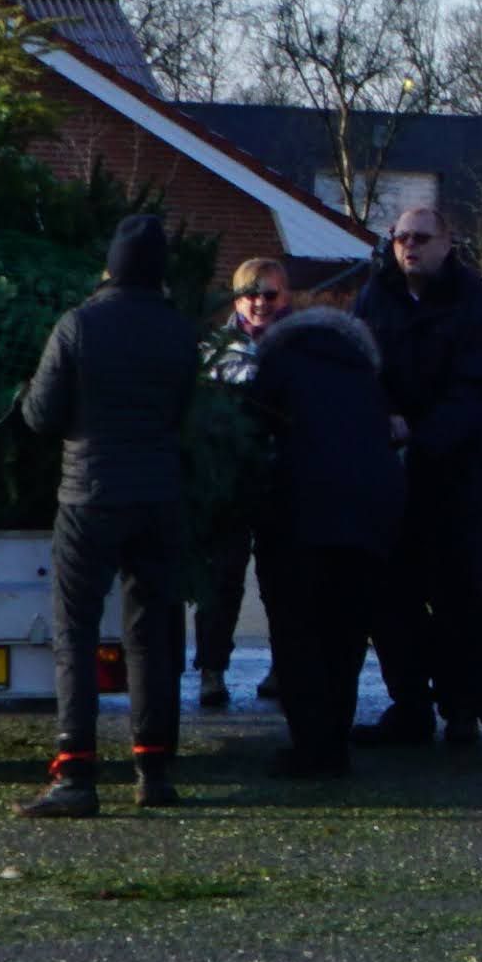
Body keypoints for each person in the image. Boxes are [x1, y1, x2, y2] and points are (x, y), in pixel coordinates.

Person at [13, 211, 203, 818]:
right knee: (151, 634)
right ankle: (154, 769)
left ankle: (76, 773)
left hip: (88, 496)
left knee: (76, 632)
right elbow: (182, 415)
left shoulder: (79, 325)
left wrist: (28, 391)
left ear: (110, 266)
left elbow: (41, 417)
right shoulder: (179, 332)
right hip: (159, 496)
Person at [356, 204, 482, 751]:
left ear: (448, 243)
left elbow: (478, 392)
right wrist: (382, 416)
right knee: (391, 595)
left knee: (462, 595)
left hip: (462, 477)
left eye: (421, 238)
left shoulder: (478, 305)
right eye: (400, 237)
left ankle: (463, 711)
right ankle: (410, 706)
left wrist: (418, 434)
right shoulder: (376, 297)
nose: (408, 247)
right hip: (395, 476)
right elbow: (359, 367)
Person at [238, 275, 404, 777]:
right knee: (346, 635)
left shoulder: (278, 366)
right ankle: (334, 741)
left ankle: (311, 746)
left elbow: (251, 435)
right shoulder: (365, 374)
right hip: (369, 516)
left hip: (299, 516)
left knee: (298, 633)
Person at [191, 256, 292, 714]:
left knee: (282, 580)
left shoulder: (298, 347)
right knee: (221, 579)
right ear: (236, 299)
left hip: (282, 479)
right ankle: (211, 669)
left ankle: (284, 667)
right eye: (250, 293)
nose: (259, 303)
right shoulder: (215, 350)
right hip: (228, 480)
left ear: (284, 296)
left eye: (269, 294)